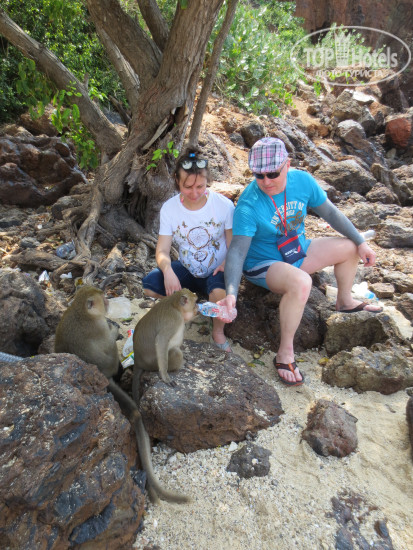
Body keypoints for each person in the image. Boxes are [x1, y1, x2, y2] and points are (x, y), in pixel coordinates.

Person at [219, 137, 382, 385]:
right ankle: (285, 352)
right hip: (264, 264)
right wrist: (231, 293)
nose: (266, 181)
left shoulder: (303, 181)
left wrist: (361, 241)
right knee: (302, 282)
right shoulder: (248, 204)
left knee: (351, 247)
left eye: (273, 173)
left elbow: (331, 213)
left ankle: (345, 301)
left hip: (297, 250)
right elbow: (237, 252)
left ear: (287, 164)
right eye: (259, 175)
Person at [142, 147, 235, 352]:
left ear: (207, 180)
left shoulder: (224, 206)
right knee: (150, 285)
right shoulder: (169, 208)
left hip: (216, 270)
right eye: (188, 187)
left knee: (220, 294)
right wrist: (168, 271)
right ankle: (192, 309)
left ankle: (217, 332)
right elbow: (162, 250)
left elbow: (233, 246)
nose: (194, 193)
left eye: (200, 186)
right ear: (177, 181)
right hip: (187, 268)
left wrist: (226, 263)